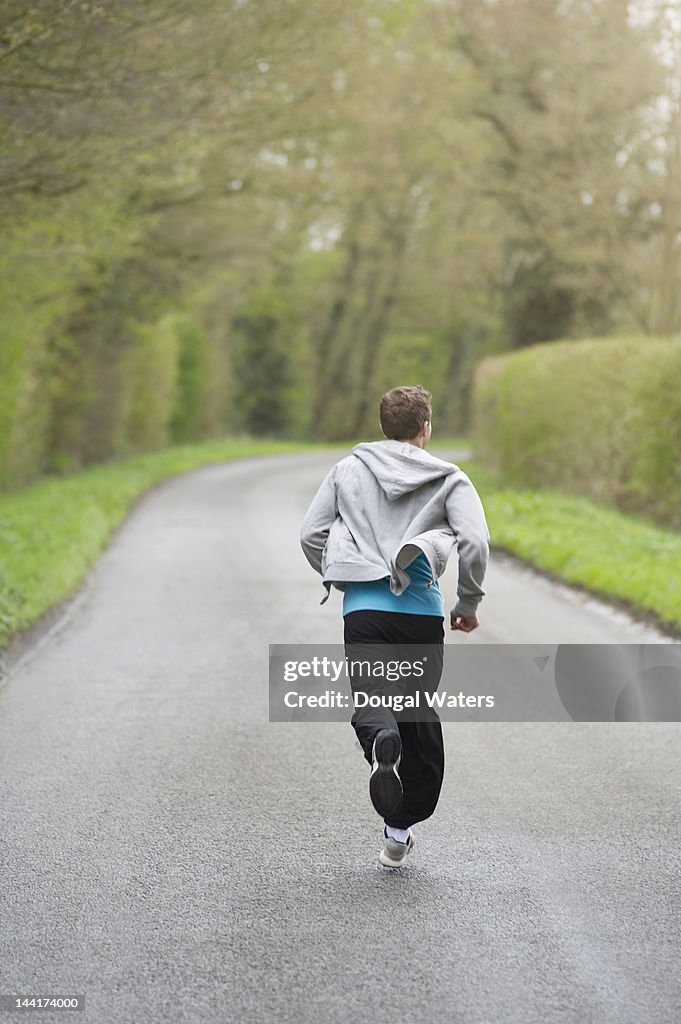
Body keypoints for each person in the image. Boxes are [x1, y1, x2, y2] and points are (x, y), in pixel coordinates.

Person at [299, 385, 490, 868]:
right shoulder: (450, 479)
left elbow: (311, 534)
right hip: (421, 616)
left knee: (374, 702)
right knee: (416, 712)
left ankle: (383, 748)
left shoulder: (347, 470)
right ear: (426, 428)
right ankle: (399, 828)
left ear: (384, 426)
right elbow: (476, 543)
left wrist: (345, 570)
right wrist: (467, 601)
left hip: (363, 613)